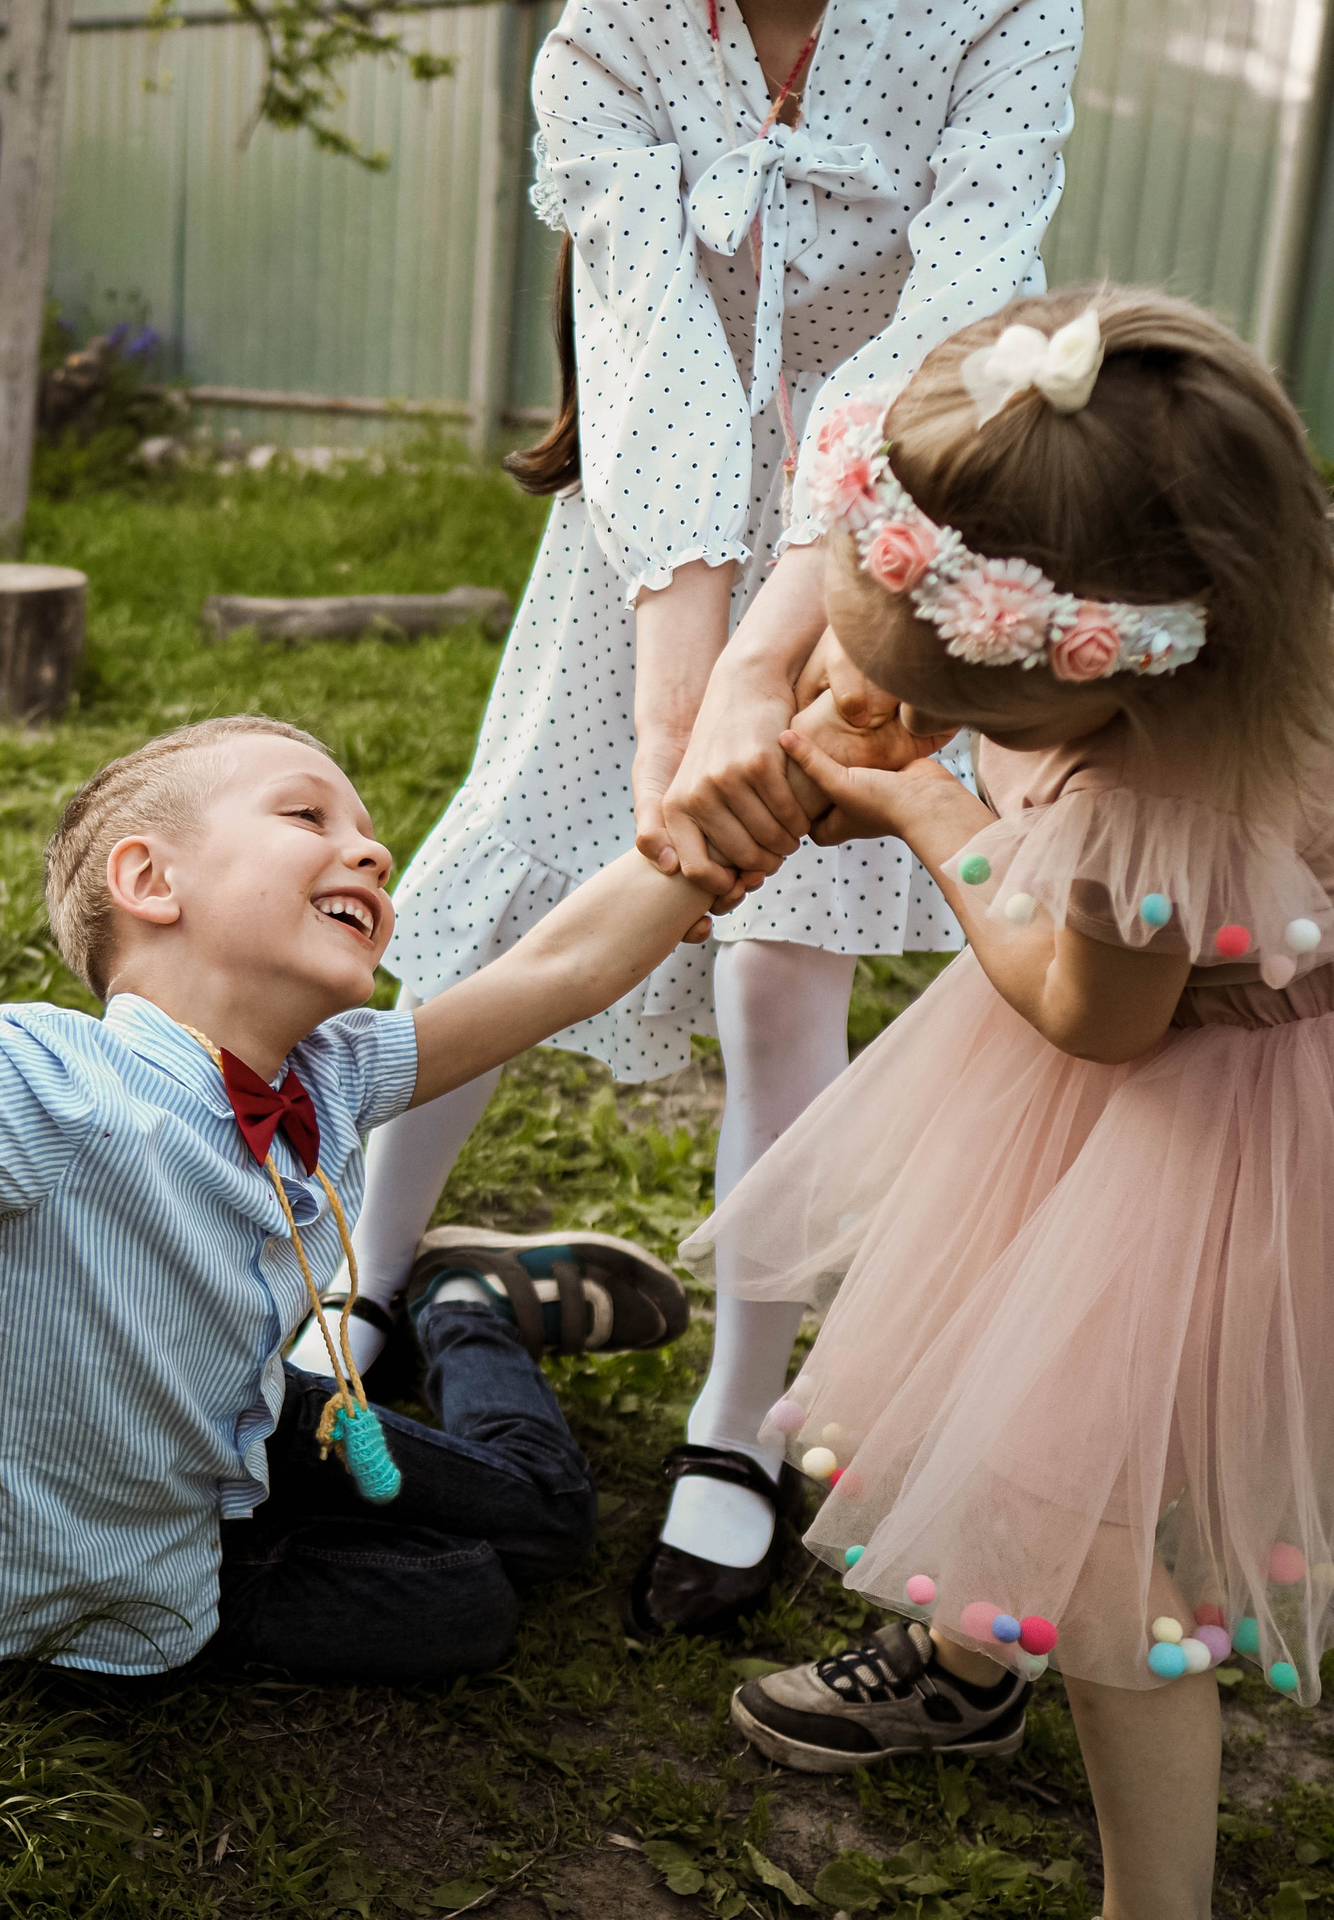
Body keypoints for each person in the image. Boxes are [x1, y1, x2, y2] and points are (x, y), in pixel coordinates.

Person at [325, 0, 1086, 1640]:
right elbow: (649, 336)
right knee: (514, 894)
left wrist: (777, 657)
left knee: (783, 973)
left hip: (887, 533)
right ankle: (357, 1288)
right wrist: (687, 701)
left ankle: (739, 1415)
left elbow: (963, 309)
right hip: (651, 538)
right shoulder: (612, 30)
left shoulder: (1002, 12)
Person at [0, 716, 729, 1683]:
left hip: (244, 1428)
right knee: (467, 1604)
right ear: (151, 883)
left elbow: (560, 971)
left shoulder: (333, 1072)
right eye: (307, 813)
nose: (371, 849)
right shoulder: (47, 1083)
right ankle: (451, 1315)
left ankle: (463, 1312)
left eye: (367, 831)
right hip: (125, 1531)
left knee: (547, 1517)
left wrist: (728, 819)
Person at [703, 287, 1334, 1917]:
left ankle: (1157, 1903)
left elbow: (1084, 1013)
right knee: (1013, 1356)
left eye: (983, 715)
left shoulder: (1162, 796)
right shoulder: (1173, 601)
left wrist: (918, 806)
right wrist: (918, 737)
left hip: (1220, 1121)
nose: (950, 736)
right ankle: (978, 1653)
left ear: (1118, 675)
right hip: (1140, 1079)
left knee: (1089, 1489)